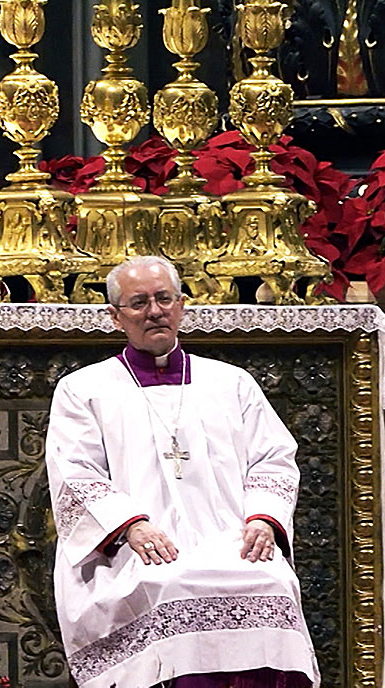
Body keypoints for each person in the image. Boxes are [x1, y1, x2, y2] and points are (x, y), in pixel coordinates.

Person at [44, 255, 319, 688]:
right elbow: (75, 472)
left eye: (164, 299)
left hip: (230, 538)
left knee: (272, 581)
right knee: (170, 583)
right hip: (136, 546)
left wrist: (264, 519)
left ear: (182, 305)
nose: (154, 311)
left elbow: (273, 457)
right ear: (115, 316)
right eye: (138, 303)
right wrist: (130, 526)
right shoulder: (83, 389)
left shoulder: (231, 383)